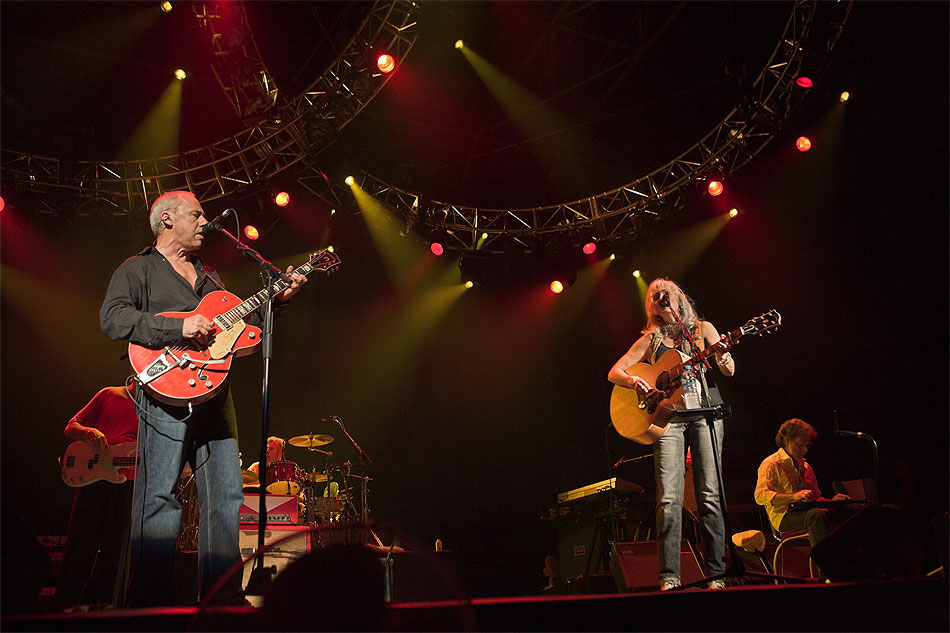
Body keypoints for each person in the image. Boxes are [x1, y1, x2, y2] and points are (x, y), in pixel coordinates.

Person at [99, 190, 307, 606]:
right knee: (159, 496)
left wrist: (276, 301)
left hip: (216, 396)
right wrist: (178, 329)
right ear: (167, 220)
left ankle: (222, 599)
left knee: (227, 498)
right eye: (196, 214)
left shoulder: (210, 276)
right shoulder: (137, 268)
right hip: (164, 394)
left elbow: (235, 330)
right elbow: (113, 318)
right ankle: (151, 605)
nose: (204, 221)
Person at [608, 278, 735, 590]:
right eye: (654, 295)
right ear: (652, 305)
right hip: (669, 418)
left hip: (706, 414)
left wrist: (723, 356)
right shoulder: (651, 339)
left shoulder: (703, 329)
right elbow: (615, 371)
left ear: (678, 299)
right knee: (669, 498)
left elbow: (728, 371)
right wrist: (635, 382)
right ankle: (669, 577)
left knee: (709, 496)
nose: (660, 297)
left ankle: (716, 574)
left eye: (665, 293)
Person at [53, 385, 138, 611]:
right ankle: (61, 609)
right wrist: (89, 432)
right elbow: (71, 426)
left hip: (126, 483)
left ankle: (106, 612)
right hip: (92, 478)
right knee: (79, 546)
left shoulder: (156, 408)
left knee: (116, 553)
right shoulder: (110, 394)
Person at [754, 418, 850, 577]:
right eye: (800, 444)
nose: (805, 450)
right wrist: (792, 497)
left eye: (807, 445)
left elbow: (815, 499)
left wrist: (832, 503)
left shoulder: (806, 467)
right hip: (784, 516)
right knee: (816, 516)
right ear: (786, 440)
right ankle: (828, 573)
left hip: (807, 511)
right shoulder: (771, 463)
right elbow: (760, 496)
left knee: (853, 511)